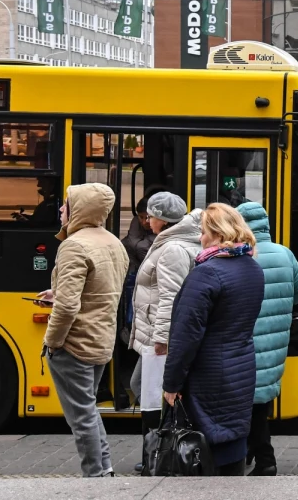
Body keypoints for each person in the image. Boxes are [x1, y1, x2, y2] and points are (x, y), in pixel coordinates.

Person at [163, 203, 264, 476]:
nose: (200, 238)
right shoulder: (252, 267)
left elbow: (186, 335)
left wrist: (171, 383)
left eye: (204, 231)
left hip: (207, 374)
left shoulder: (207, 272)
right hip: (240, 369)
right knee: (233, 444)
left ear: (219, 234)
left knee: (205, 453)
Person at [36, 183, 129, 478]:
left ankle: (95, 477)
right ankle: (105, 468)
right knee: (88, 409)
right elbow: (100, 290)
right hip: (100, 340)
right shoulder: (113, 242)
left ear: (81, 208)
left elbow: (67, 309)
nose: (62, 209)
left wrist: (52, 342)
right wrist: (58, 292)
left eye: (67, 203)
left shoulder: (74, 245)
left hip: (75, 343)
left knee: (81, 416)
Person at [128, 192, 201, 473]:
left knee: (152, 396)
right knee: (143, 388)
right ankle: (158, 451)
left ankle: (159, 455)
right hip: (154, 334)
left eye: (150, 215)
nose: (147, 220)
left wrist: (161, 339)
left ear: (161, 218)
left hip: (160, 338)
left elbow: (170, 297)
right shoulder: (173, 242)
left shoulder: (172, 249)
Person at [237, 201, 298, 477]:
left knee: (249, 402)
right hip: (277, 338)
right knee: (261, 399)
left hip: (248, 338)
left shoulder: (243, 255)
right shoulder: (284, 253)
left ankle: (265, 460)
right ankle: (251, 450)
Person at [113, 198, 155, 411]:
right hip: (134, 283)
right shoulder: (136, 227)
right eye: (141, 218)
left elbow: (137, 248)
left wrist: (137, 246)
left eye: (148, 217)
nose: (145, 222)